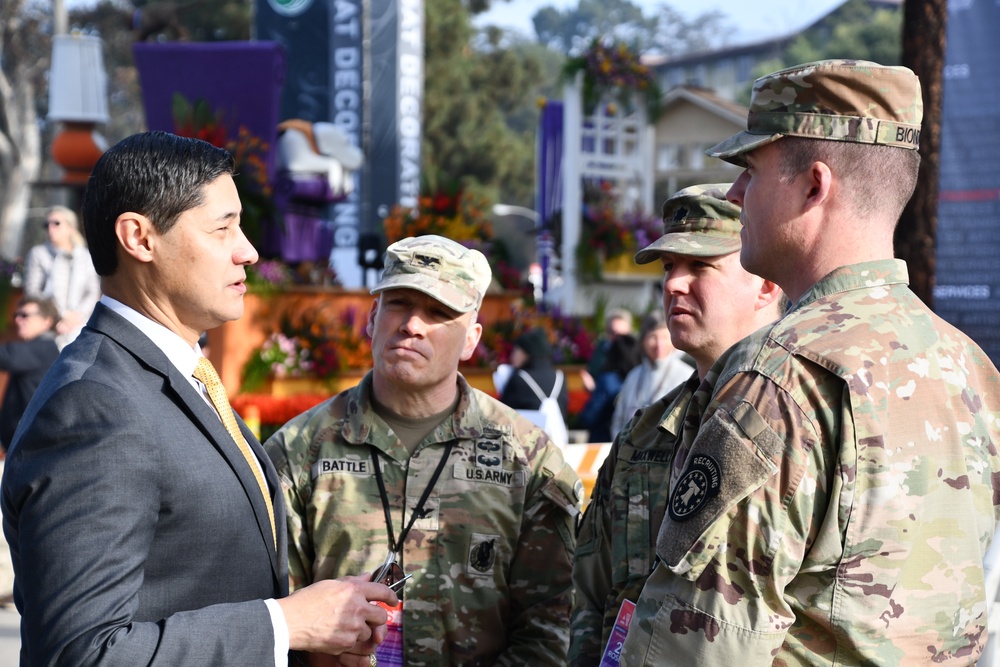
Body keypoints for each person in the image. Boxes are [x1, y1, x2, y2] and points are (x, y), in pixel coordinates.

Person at [620, 60, 1000, 665]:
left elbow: (700, 641)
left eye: (750, 170)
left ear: (814, 186)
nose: (734, 194)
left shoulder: (779, 375)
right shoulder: (968, 367)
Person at [1, 131, 396, 666]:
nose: (249, 251)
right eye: (222, 228)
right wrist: (286, 623)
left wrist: (310, 640)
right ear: (139, 238)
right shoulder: (96, 406)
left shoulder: (174, 375)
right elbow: (83, 653)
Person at [265, 234, 581, 666]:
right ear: (372, 318)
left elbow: (551, 626)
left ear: (471, 339)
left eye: (438, 313)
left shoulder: (528, 458)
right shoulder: (298, 451)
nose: (412, 325)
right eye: (399, 304)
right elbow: (272, 614)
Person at [569, 184, 785, 664]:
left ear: (766, 282)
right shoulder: (642, 435)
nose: (672, 285)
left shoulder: (800, 424)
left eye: (700, 266)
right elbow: (589, 594)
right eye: (669, 267)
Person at [23, 204, 101, 347]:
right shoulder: (38, 253)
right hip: (48, 325)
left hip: (79, 326)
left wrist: (76, 316)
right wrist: (61, 315)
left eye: (56, 223)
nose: (50, 228)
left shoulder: (85, 256)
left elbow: (92, 291)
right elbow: (32, 292)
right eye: (46, 225)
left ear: (70, 227)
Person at [609, 309, 693, 438]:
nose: (659, 344)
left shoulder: (686, 375)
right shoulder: (634, 376)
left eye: (664, 337)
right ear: (643, 341)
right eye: (653, 337)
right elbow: (618, 419)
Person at [0, 297, 60, 452]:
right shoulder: (39, 347)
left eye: (25, 315)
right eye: (16, 315)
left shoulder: (43, 347)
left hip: (32, 446)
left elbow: (7, 356)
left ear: (47, 320)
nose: (18, 320)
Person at [499, 327, 569, 444]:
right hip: (556, 443)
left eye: (516, 351)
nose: (512, 356)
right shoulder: (560, 377)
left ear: (527, 353)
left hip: (526, 444)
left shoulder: (519, 378)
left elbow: (503, 414)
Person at [579, 334, 640, 442]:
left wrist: (593, 391)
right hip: (634, 439)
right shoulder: (640, 378)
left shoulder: (608, 380)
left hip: (604, 441)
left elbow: (589, 416)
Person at [580, 308, 632, 392]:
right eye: (613, 333)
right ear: (607, 331)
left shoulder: (636, 353)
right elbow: (592, 374)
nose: (617, 339)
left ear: (629, 331)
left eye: (622, 335)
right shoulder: (601, 348)